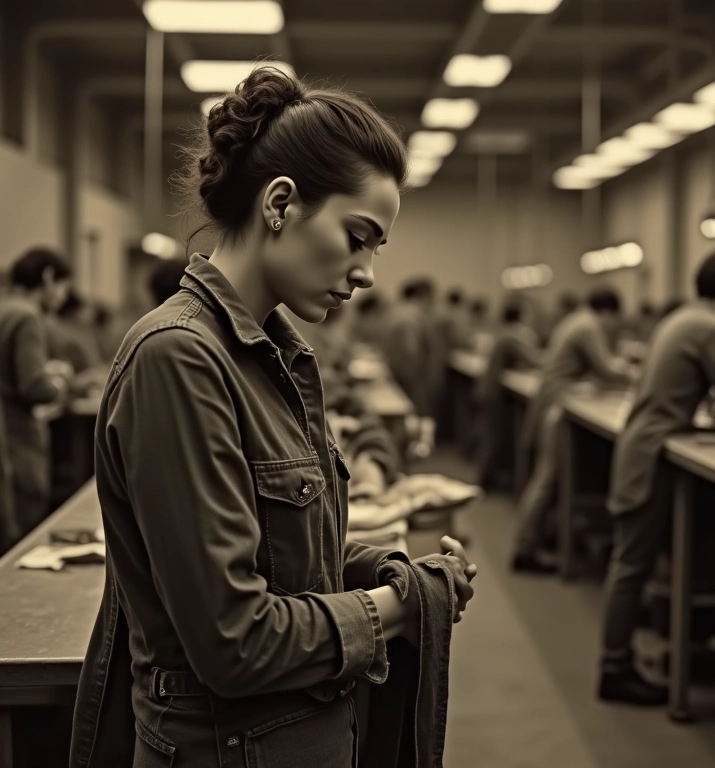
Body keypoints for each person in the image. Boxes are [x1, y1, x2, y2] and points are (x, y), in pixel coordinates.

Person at [70, 65, 477, 768]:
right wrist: (403, 607)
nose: (367, 271)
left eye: (377, 248)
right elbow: (236, 638)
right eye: (358, 236)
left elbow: (281, 560)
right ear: (281, 203)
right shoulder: (179, 360)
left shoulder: (277, 356)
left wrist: (380, 565)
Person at [598, 248, 715, 706]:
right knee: (631, 566)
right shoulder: (712, 326)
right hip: (650, 455)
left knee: (631, 564)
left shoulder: (684, 319)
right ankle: (614, 669)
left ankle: (624, 659)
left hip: (644, 448)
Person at [511, 287, 632, 574]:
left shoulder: (576, 321)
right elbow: (608, 370)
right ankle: (523, 549)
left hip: (554, 403)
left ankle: (536, 540)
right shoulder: (588, 326)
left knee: (548, 479)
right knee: (547, 479)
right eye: (614, 320)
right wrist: (638, 373)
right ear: (607, 312)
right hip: (557, 408)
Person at [0, 248, 71, 539]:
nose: (63, 295)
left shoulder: (4, 308)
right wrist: (59, 382)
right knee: (22, 528)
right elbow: (33, 386)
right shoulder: (27, 316)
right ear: (48, 277)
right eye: (64, 285)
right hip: (17, 438)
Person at [477, 297, 543, 490]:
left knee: (491, 437)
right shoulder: (514, 335)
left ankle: (487, 479)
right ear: (521, 315)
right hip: (494, 393)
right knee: (493, 438)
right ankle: (483, 483)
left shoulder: (504, 332)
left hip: (489, 390)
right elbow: (534, 359)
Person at [381, 277, 438, 419]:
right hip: (410, 383)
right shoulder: (409, 319)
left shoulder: (395, 313)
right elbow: (409, 356)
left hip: (397, 376)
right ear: (423, 296)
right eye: (431, 298)